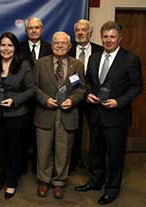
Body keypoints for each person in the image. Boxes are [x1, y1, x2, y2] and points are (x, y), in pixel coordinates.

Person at [75, 21, 143, 205]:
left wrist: (119, 101)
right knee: (95, 152)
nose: (108, 40)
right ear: (101, 37)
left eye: (112, 36)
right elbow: (88, 81)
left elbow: (137, 86)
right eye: (105, 36)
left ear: (119, 38)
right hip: (95, 114)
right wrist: (88, 93)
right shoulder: (94, 57)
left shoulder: (130, 59)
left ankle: (112, 189)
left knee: (115, 155)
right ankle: (95, 182)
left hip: (116, 117)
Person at [0, 32, 35, 200]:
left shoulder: (24, 65)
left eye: (10, 45)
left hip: (17, 115)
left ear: (15, 48)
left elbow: (31, 90)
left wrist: (14, 100)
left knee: (14, 150)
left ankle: (11, 182)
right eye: (3, 45)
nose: (6, 48)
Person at [34, 32, 85, 199]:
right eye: (57, 43)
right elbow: (33, 87)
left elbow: (81, 88)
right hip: (45, 113)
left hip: (67, 114)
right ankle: (43, 180)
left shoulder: (77, 65)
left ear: (70, 46)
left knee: (63, 151)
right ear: (52, 44)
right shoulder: (41, 63)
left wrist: (72, 100)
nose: (60, 46)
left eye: (64, 43)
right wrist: (44, 99)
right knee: (44, 150)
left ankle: (59, 182)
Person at [68, 19, 103, 172]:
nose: (80, 33)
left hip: (92, 98)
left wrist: (90, 93)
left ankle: (93, 164)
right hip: (72, 96)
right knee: (73, 131)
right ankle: (73, 162)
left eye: (84, 30)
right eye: (77, 30)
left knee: (94, 132)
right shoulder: (67, 49)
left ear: (90, 33)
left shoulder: (100, 50)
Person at [20, 16, 52, 175]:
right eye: (30, 28)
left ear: (41, 29)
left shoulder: (50, 47)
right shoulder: (18, 48)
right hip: (24, 98)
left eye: (37, 27)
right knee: (23, 133)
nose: (33, 30)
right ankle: (23, 164)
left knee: (41, 135)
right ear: (26, 30)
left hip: (44, 98)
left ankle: (38, 166)